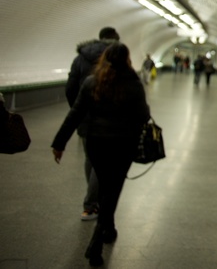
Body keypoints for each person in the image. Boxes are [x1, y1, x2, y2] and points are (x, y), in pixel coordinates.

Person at [52, 42, 150, 267]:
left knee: (106, 187)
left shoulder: (92, 82)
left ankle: (110, 226)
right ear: (127, 60)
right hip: (123, 145)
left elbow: (75, 114)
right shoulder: (133, 84)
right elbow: (144, 115)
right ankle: (96, 242)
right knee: (113, 190)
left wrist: (59, 143)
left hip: (96, 144)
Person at [65, 26, 120, 221]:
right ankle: (90, 205)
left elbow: (70, 88)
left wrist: (78, 110)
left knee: (90, 158)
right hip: (108, 119)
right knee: (102, 161)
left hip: (85, 118)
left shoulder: (80, 58)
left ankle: (94, 200)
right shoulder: (115, 57)